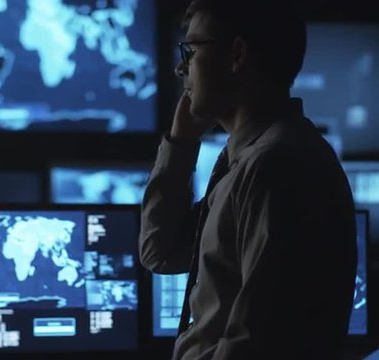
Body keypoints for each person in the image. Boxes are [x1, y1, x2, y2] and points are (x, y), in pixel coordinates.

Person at [139, 0, 357, 358]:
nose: (182, 68)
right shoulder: (245, 159)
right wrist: (179, 146)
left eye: (191, 50)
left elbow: (256, 342)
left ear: (237, 55)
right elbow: (159, 253)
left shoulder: (277, 166)